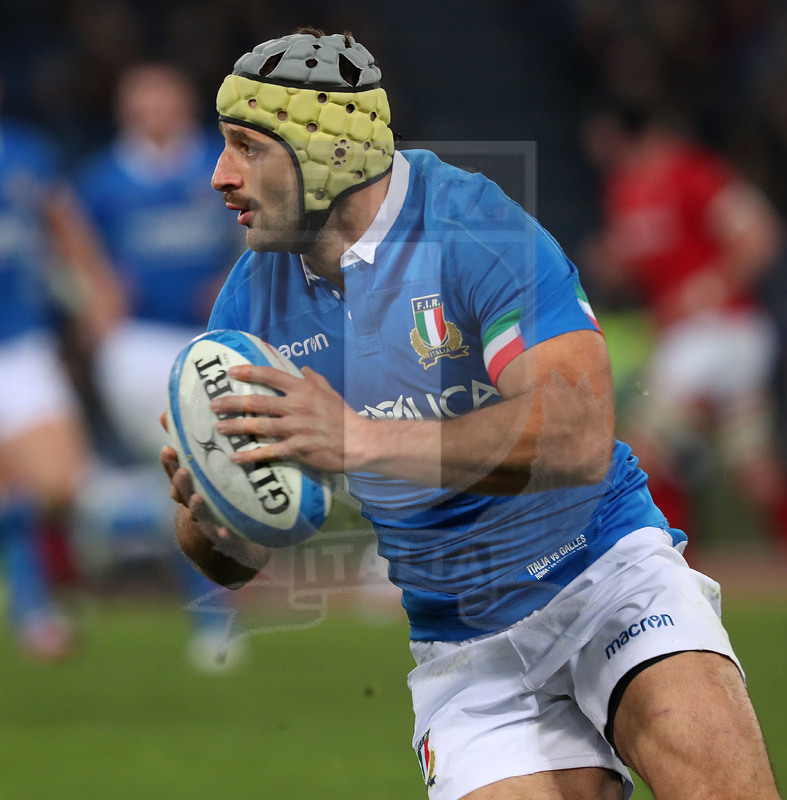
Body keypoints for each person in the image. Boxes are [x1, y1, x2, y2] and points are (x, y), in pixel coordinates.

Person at [160, 30, 781, 799]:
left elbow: (577, 433)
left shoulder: (472, 229)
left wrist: (356, 438)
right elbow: (234, 558)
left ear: (328, 150)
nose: (220, 177)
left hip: (605, 577)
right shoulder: (250, 306)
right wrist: (211, 510)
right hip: (464, 646)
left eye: (246, 147)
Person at [74, 62, 247, 671]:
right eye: (141, 99)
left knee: (212, 472)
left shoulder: (220, 160)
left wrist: (234, 279)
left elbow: (261, 227)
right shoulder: (102, 180)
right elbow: (73, 248)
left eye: (163, 97)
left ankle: (211, 596)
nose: (153, 109)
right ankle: (210, 606)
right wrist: (94, 296)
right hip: (140, 342)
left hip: (212, 335)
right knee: (186, 468)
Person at [582, 101, 787, 553]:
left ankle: (658, 559)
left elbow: (760, 233)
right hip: (690, 338)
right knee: (754, 469)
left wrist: (710, 286)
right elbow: (638, 262)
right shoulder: (623, 189)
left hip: (719, 331)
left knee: (641, 449)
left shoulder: (694, 172)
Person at [0, 76, 121, 660]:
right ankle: (34, 611)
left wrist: (98, 296)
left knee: (58, 485)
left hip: (22, 345)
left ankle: (33, 600)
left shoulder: (27, 154)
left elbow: (68, 232)